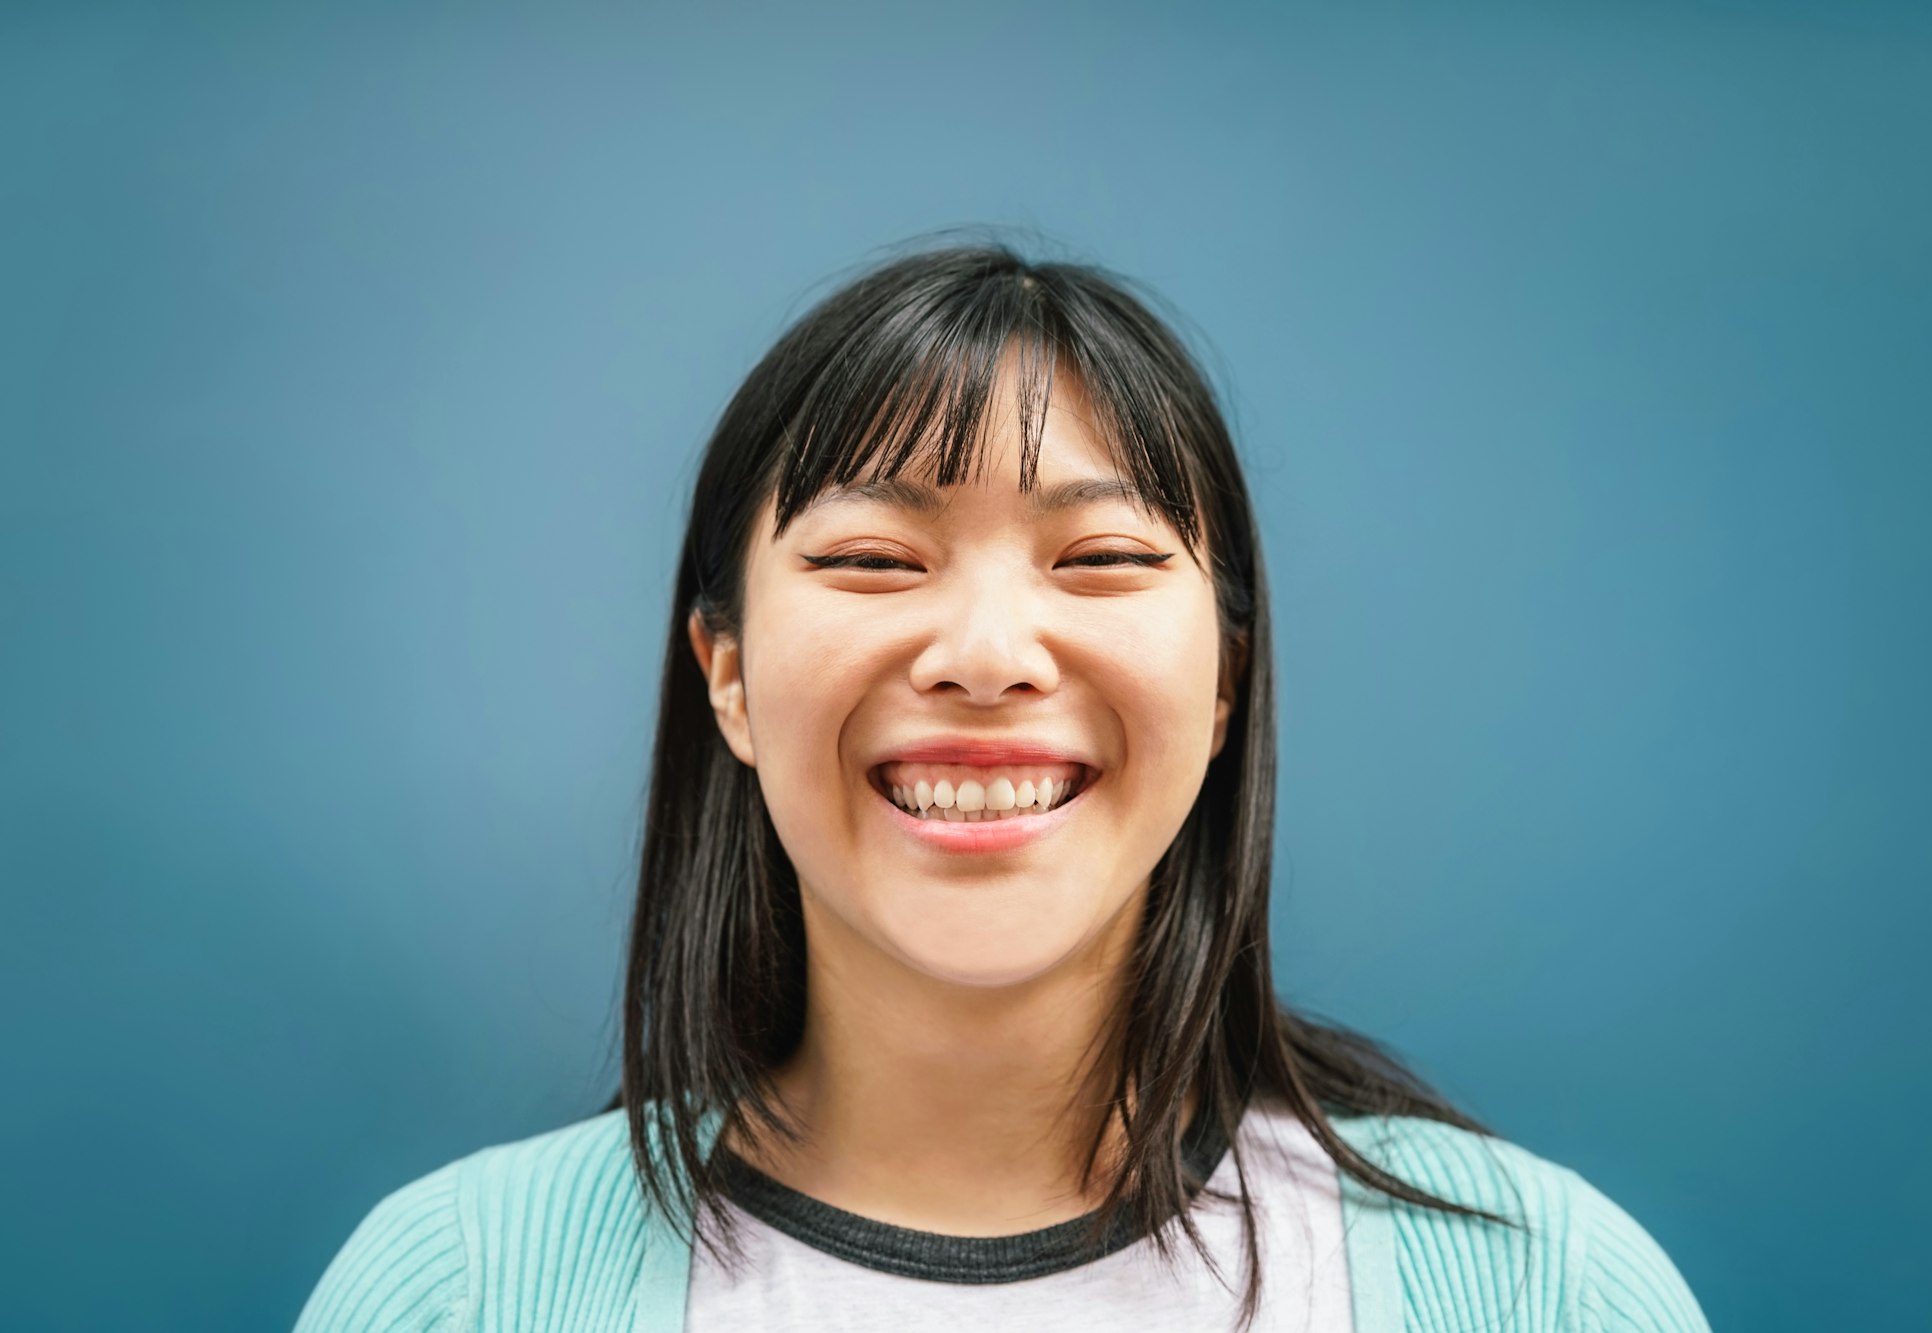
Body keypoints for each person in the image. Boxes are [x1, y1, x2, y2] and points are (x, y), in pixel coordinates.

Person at [295, 243, 1711, 1331]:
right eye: (873, 562)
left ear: (1226, 682)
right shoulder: (462, 1289)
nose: (984, 657)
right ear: (724, 673)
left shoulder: (1540, 1288)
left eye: (1098, 559)